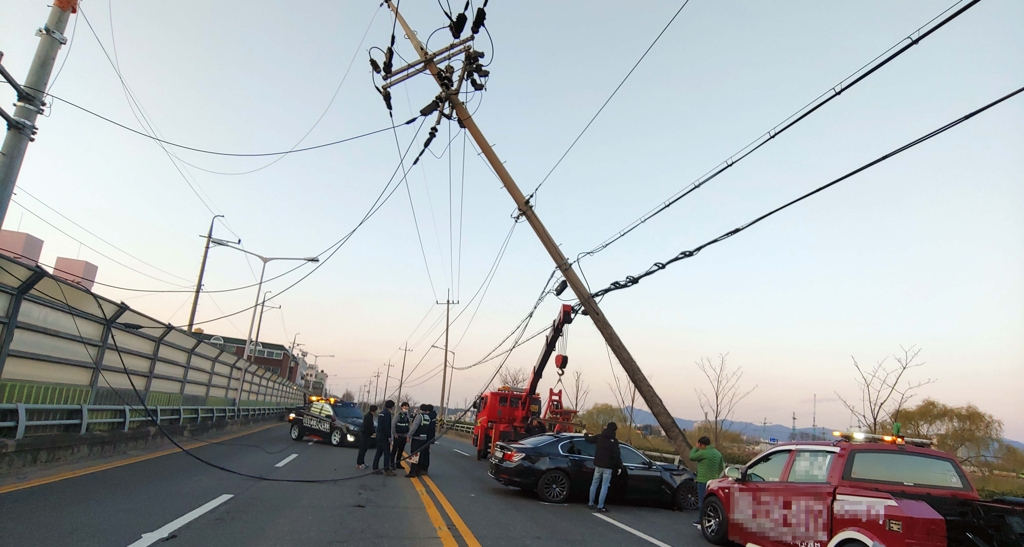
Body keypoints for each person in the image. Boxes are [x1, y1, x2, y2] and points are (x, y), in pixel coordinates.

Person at [584, 422, 622, 513]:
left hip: (598, 465)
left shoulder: (599, 437)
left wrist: (585, 433)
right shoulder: (614, 441)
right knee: (604, 486)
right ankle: (600, 506)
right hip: (608, 467)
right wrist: (619, 466)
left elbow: (588, 440)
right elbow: (616, 455)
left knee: (594, 484)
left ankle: (590, 503)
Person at [690, 435, 724, 526]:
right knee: (711, 501)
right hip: (714, 481)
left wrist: (695, 448)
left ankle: (701, 519)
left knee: (702, 501)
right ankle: (711, 518)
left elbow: (691, 456)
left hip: (703, 480)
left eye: (699, 445)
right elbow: (721, 468)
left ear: (701, 445)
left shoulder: (703, 452)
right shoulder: (718, 453)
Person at [405, 403, 434, 477]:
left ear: (420, 409)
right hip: (424, 438)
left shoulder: (419, 416)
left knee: (414, 454)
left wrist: (409, 435)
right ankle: (418, 471)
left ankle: (413, 472)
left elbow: (414, 427)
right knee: (421, 455)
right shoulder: (427, 417)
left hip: (417, 438)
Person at [372, 400, 396, 476]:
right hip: (384, 436)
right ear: (392, 406)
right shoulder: (387, 414)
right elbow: (387, 426)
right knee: (386, 453)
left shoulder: (381, 413)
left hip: (379, 435)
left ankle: (375, 468)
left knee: (378, 452)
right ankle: (387, 469)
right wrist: (389, 436)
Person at [391, 402, 412, 468]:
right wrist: (394, 434)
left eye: (407, 406)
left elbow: (408, 425)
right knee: (394, 450)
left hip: (404, 435)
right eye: (404, 406)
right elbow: (393, 424)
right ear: (401, 407)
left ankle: (398, 463)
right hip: (398, 435)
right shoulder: (398, 415)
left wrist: (408, 435)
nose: (406, 408)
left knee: (401, 450)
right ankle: (391, 464)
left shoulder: (407, 415)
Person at [356, 404, 377, 469]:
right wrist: (372, 431)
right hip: (365, 435)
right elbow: (367, 426)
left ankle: (362, 462)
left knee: (364, 450)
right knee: (362, 449)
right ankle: (359, 463)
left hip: (367, 435)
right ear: (374, 411)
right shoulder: (368, 417)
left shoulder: (369, 416)